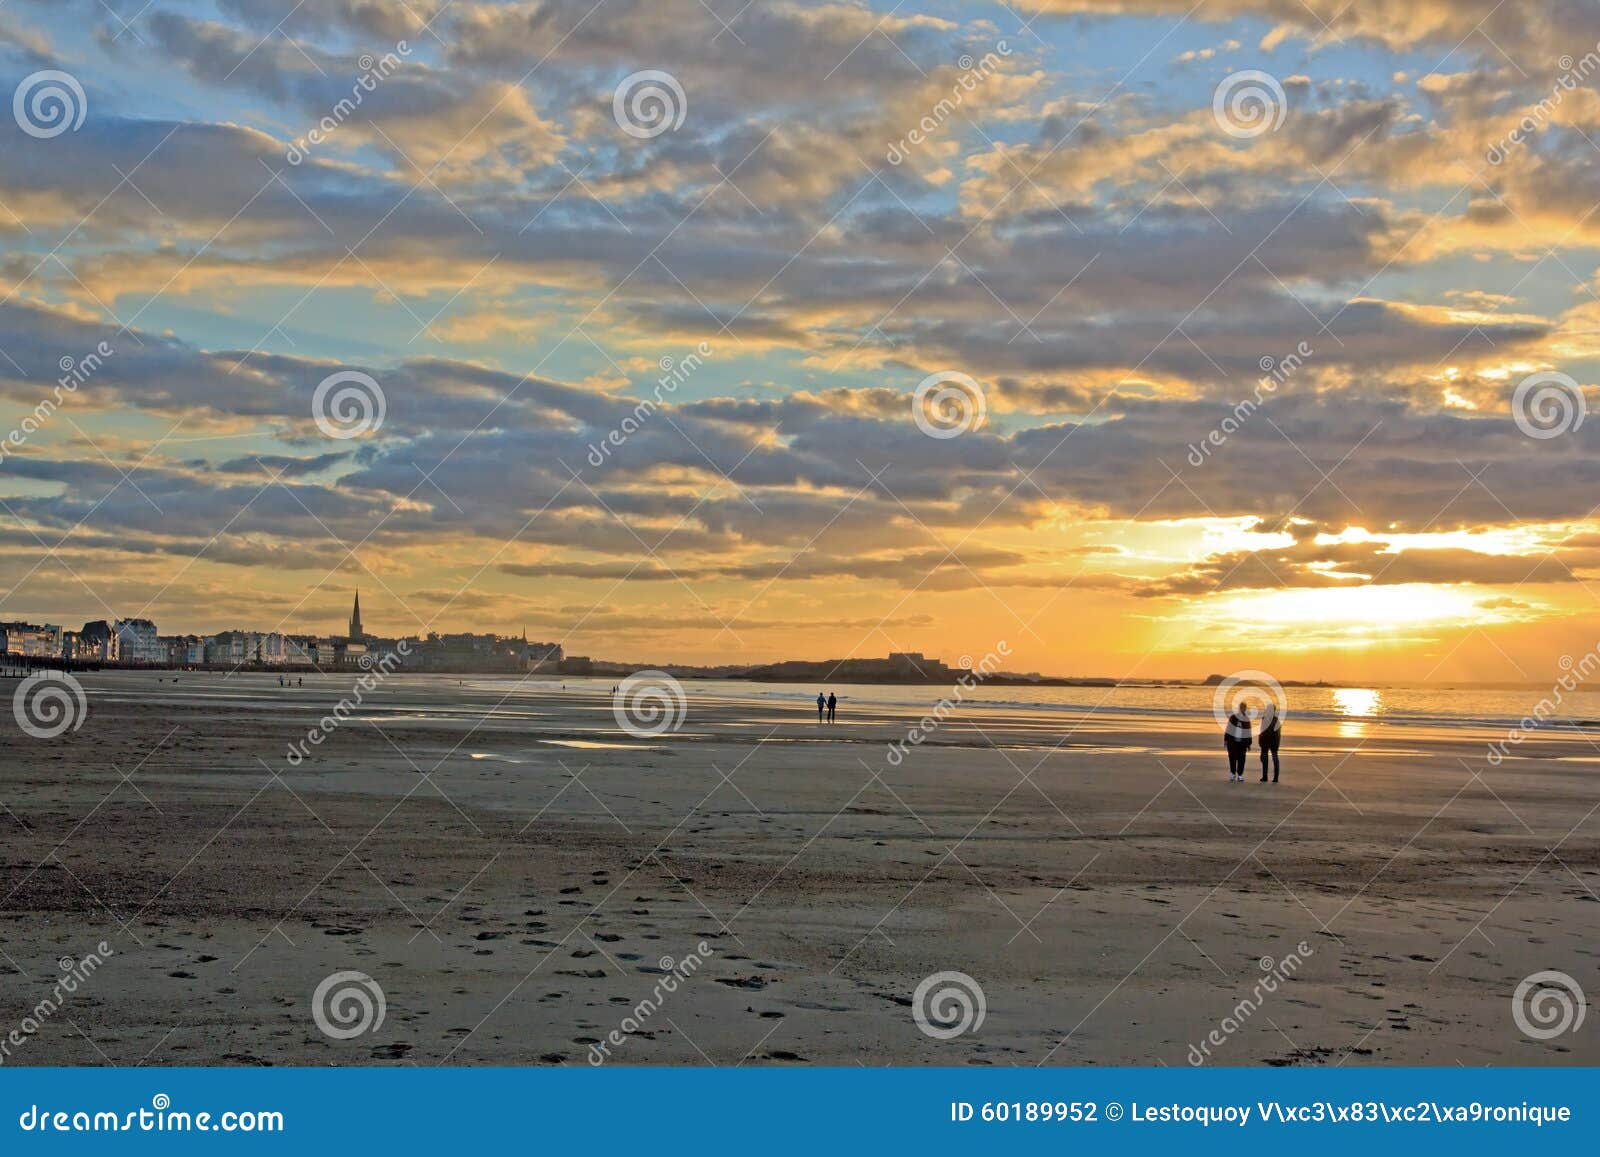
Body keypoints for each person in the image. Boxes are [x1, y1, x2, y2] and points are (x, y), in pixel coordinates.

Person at [1223, 704, 1252, 781]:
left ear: (1245, 709)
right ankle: (1232, 774)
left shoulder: (1247, 719)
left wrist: (1249, 744)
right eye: (1241, 708)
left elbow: (1249, 732)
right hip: (1232, 742)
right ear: (1239, 708)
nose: (1242, 709)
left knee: (1241, 759)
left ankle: (1240, 775)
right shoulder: (1233, 717)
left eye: (1244, 708)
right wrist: (1225, 740)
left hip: (1243, 743)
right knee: (1232, 758)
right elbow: (1228, 728)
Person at [1258, 701, 1282, 783]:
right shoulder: (1265, 719)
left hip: (1272, 742)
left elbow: (1277, 734)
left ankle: (1275, 777)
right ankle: (1265, 776)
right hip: (1265, 742)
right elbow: (1261, 731)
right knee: (1265, 759)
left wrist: (1277, 744)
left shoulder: (1275, 720)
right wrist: (1260, 741)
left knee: (1273, 759)